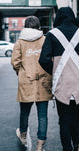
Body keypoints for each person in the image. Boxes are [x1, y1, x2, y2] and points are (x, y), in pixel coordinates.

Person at [39, 7, 79, 151]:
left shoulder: (51, 35)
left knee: (65, 118)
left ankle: (67, 147)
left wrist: (56, 71)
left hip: (62, 83)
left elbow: (43, 60)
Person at [11, 16, 52, 151]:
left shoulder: (20, 42)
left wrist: (22, 73)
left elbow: (15, 62)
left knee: (24, 112)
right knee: (42, 116)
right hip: (43, 81)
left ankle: (22, 135)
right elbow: (50, 59)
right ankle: (40, 146)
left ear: (26, 27)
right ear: (39, 26)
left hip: (26, 82)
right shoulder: (45, 40)